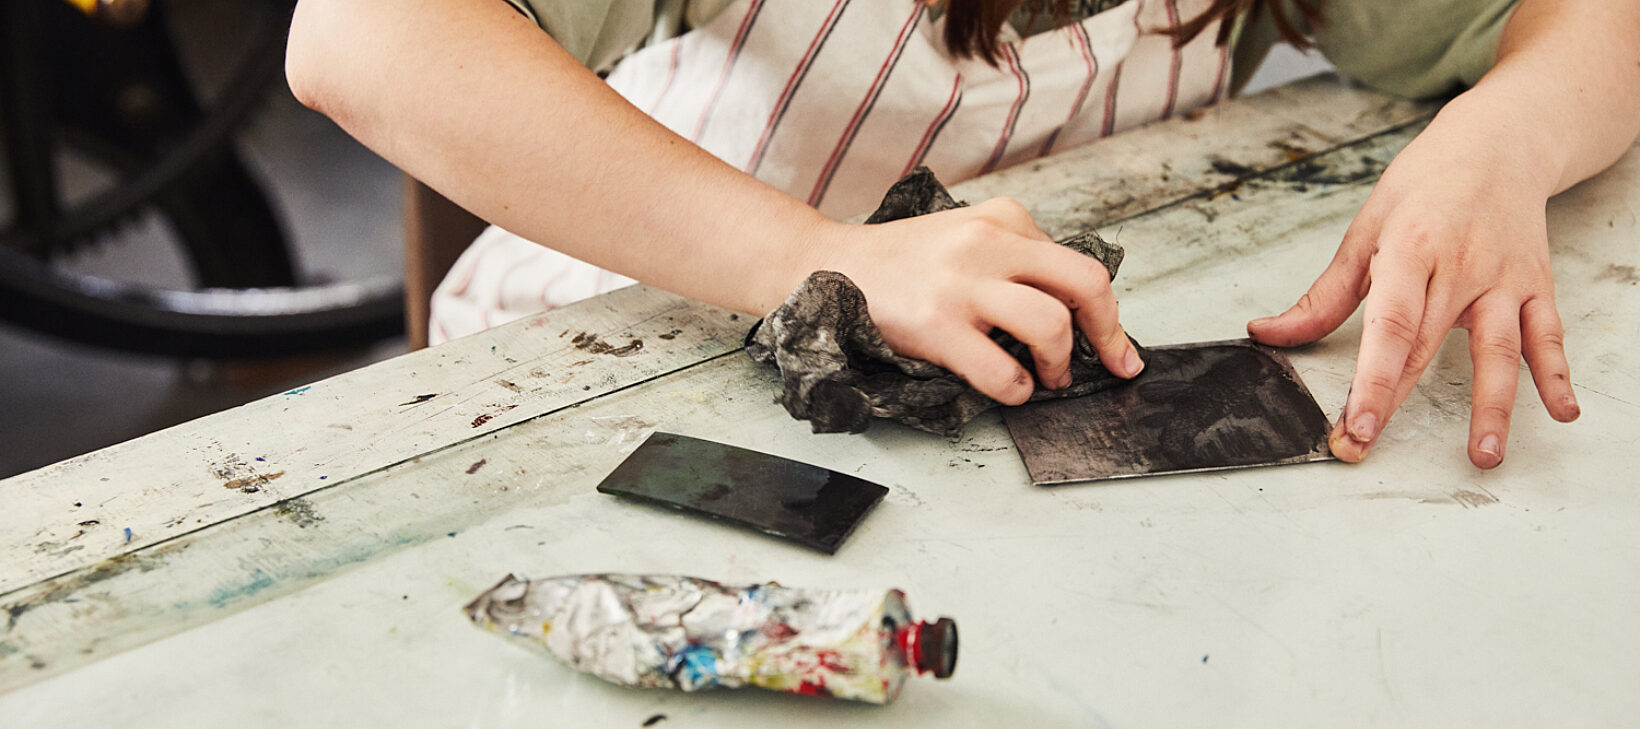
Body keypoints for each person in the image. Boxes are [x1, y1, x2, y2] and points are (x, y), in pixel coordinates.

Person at [285, 0, 1640, 469]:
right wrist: (823, 258)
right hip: (643, 359)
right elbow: (362, 37)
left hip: (1007, 419)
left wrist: (1507, 135)